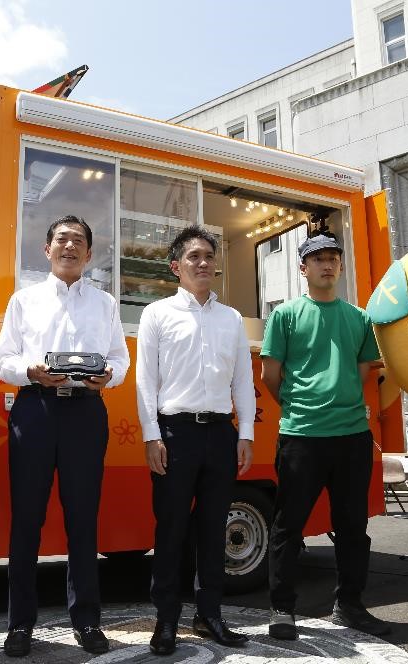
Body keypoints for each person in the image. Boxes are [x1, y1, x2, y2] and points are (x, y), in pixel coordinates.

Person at [0, 215, 129, 658]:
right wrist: (29, 371)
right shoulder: (24, 300)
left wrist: (108, 376)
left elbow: (120, 360)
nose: (70, 247)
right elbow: (3, 360)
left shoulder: (105, 303)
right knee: (26, 521)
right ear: (47, 250)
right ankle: (20, 625)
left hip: (85, 413)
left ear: (90, 254)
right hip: (35, 410)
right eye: (62, 240)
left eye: (79, 242)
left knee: (82, 520)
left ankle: (87, 620)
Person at [260, 232, 390, 640]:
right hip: (301, 436)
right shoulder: (285, 316)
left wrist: (341, 399)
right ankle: (282, 608)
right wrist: (302, 408)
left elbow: (366, 370)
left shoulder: (359, 317)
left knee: (352, 526)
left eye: (334, 258)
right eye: (318, 259)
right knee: (288, 526)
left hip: (352, 436)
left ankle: (350, 605)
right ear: (303, 269)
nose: (327, 265)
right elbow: (269, 375)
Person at [136, 225, 254, 656]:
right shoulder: (157, 314)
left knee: (213, 530)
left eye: (208, 256)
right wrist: (152, 435)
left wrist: (245, 434)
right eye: (193, 257)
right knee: (169, 531)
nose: (203, 262)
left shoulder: (231, 319)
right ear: (176, 266)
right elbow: (146, 382)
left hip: (220, 434)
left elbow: (243, 380)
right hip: (174, 433)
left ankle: (209, 616)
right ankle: (165, 621)